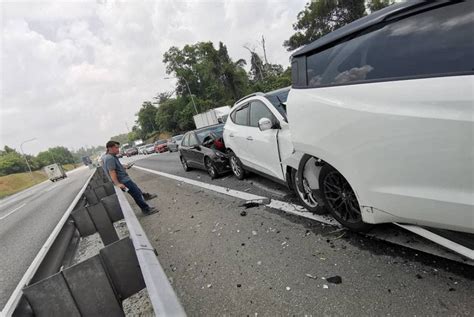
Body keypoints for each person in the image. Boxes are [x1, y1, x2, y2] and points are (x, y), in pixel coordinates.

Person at [103, 141, 158, 215]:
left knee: (137, 191)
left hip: (125, 179)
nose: (118, 149)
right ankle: (146, 210)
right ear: (110, 148)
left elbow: (115, 167)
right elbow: (112, 172)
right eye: (116, 148)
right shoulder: (109, 158)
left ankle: (146, 201)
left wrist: (125, 166)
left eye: (118, 147)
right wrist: (118, 184)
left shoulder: (111, 156)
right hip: (123, 181)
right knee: (136, 194)